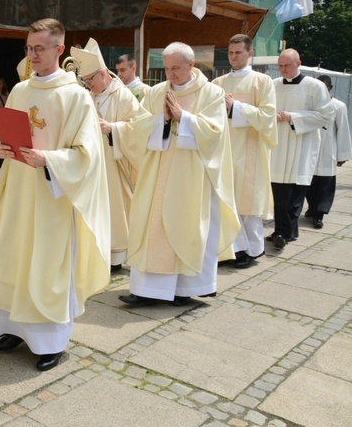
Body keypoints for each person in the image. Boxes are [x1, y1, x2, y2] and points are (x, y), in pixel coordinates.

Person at [0, 18, 110, 372]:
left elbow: (88, 156)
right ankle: (12, 328)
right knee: (13, 256)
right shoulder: (20, 91)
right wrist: (1, 150)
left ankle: (50, 342)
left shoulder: (76, 96)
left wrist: (49, 159)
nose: (32, 55)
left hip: (52, 197)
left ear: (59, 49)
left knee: (46, 265)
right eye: (28, 48)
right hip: (18, 191)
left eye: (39, 48)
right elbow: (6, 135)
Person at [118, 42, 240, 307]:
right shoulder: (157, 92)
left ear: (191, 65)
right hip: (157, 172)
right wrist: (161, 119)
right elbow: (138, 125)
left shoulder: (211, 94)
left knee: (186, 227)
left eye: (176, 68)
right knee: (152, 226)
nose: (170, 74)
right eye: (167, 68)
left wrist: (183, 117)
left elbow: (215, 134)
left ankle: (184, 289)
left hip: (191, 175)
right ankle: (146, 290)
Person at [71, 38, 141, 271]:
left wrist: (113, 129)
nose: (87, 84)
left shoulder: (123, 96)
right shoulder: (87, 96)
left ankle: (115, 258)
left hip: (114, 166)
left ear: (102, 74)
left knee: (113, 209)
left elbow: (139, 129)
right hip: (90, 164)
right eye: (85, 80)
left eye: (90, 80)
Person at [212, 34, 277, 268]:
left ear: (250, 54)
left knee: (247, 204)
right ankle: (231, 249)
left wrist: (235, 107)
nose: (233, 57)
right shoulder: (218, 83)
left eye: (238, 52)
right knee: (225, 202)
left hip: (250, 150)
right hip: (224, 149)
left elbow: (268, 116)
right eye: (230, 52)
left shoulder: (262, 81)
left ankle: (252, 250)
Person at [269, 49, 334, 248]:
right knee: (278, 193)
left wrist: (293, 117)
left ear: (299, 64)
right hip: (279, 145)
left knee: (295, 193)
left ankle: (283, 232)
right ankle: (287, 230)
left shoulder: (315, 86)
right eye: (280, 66)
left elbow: (326, 116)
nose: (283, 70)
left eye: (287, 65)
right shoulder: (272, 85)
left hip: (302, 145)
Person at [305, 75, 352, 228]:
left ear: (330, 88)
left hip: (327, 151)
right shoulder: (309, 105)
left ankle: (319, 214)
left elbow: (343, 130)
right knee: (309, 184)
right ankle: (312, 208)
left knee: (325, 184)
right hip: (311, 149)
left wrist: (342, 155)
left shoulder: (338, 106)